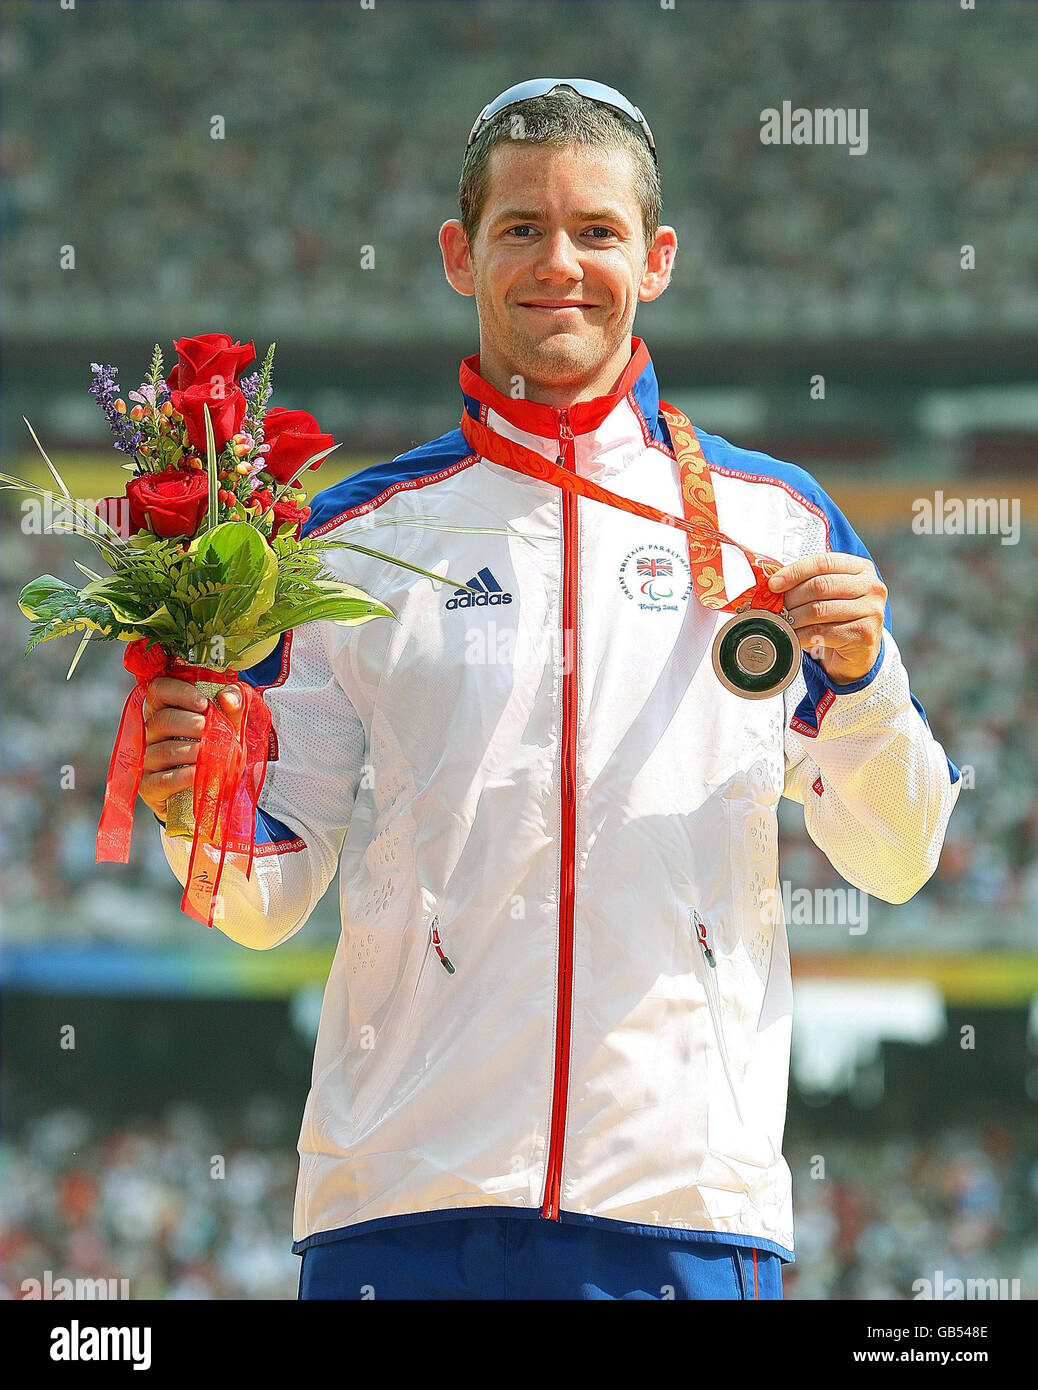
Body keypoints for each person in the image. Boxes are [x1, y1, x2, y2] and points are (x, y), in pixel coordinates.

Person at [140, 79, 962, 1300]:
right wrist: (186, 798)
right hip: (402, 1209)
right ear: (459, 253)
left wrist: (868, 686)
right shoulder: (349, 540)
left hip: (685, 1211)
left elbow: (897, 855)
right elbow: (266, 892)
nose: (559, 263)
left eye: (597, 230)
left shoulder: (776, 521)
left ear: (658, 257)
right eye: (521, 228)